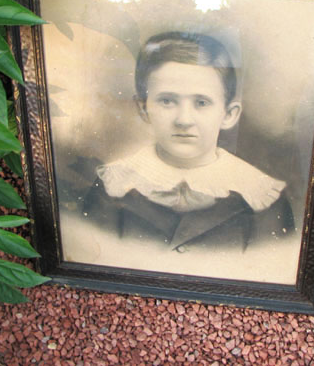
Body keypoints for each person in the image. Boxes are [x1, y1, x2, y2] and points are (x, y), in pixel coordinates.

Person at [82, 31, 294, 252]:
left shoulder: (261, 197)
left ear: (229, 114)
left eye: (201, 103)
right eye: (167, 101)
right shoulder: (112, 188)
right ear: (143, 109)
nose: (183, 120)